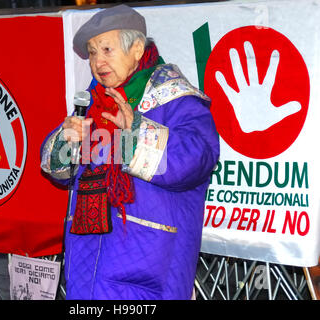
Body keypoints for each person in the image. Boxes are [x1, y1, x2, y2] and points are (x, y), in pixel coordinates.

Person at [40, 4, 220, 300]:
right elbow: (59, 173)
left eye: (107, 49)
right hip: (87, 257)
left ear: (137, 49)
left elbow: (198, 159)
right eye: (92, 52)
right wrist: (67, 142)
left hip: (148, 262)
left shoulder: (177, 99)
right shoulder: (96, 102)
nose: (98, 61)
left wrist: (135, 133)